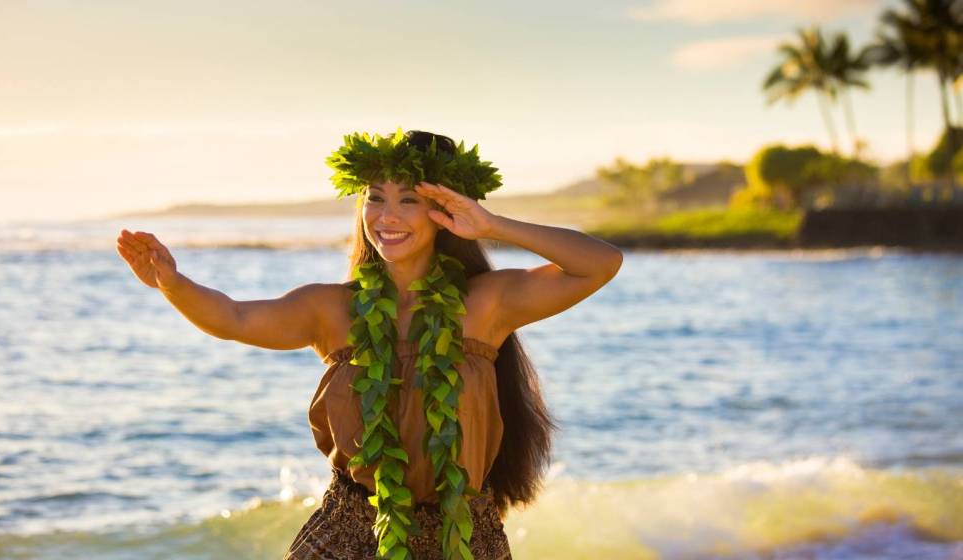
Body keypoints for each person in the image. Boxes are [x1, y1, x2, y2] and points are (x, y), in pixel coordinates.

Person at [115, 129, 623, 560]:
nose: (387, 215)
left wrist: (491, 224)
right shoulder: (330, 309)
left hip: (462, 539)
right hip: (351, 533)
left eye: (410, 200)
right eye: (374, 197)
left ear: (444, 211)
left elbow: (600, 262)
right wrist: (171, 283)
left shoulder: (486, 303)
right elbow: (234, 317)